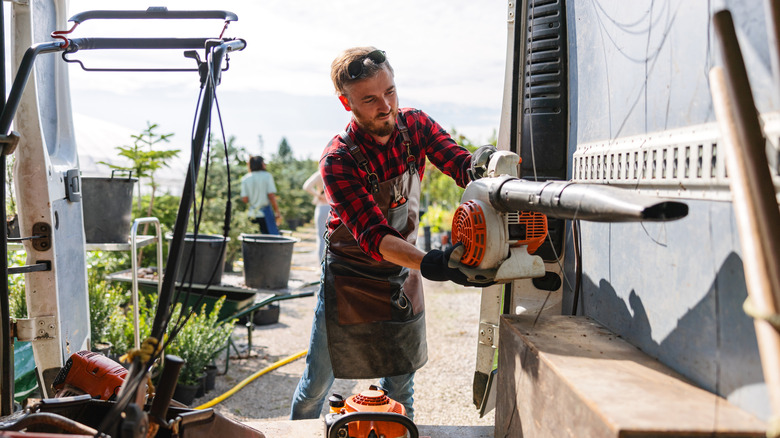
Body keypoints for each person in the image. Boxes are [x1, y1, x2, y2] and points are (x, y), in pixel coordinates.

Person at [290, 46, 493, 421]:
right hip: (350, 279)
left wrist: (490, 167)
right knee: (316, 386)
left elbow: (460, 164)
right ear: (345, 101)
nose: (385, 106)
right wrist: (433, 263)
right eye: (369, 99)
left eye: (390, 91)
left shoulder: (414, 126)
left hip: (402, 275)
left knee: (400, 388)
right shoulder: (338, 159)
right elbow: (373, 235)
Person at [240, 155, 281, 235]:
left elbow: (245, 199)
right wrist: (277, 212)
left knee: (253, 240)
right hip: (265, 215)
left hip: (252, 214)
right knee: (269, 240)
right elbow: (271, 196)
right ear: (261, 164)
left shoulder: (245, 178)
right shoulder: (267, 176)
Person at [302, 170, 330, 261]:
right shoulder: (335, 171)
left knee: (321, 237)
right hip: (333, 206)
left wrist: (318, 195)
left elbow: (306, 186)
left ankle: (321, 266)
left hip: (322, 206)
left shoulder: (320, 173)